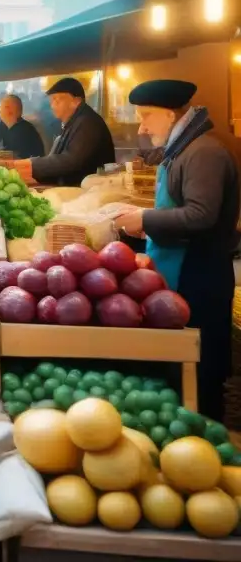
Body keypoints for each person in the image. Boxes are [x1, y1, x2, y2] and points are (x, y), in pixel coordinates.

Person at [116, 80, 239, 422]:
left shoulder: (203, 152)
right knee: (180, 365)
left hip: (200, 277)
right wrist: (146, 224)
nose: (141, 126)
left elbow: (201, 215)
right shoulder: (182, 148)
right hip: (181, 271)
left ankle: (206, 440)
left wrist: (146, 217)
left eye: (146, 116)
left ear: (170, 115)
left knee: (202, 367)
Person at [14, 77, 115, 187]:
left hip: (90, 191)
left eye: (58, 100)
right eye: (52, 101)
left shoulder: (88, 122)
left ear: (76, 101)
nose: (52, 106)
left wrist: (31, 165)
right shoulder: (73, 122)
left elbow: (70, 161)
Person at [0, 94, 45, 159]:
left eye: (1, 107)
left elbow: (19, 157)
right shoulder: (1, 126)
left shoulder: (25, 130)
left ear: (10, 111)